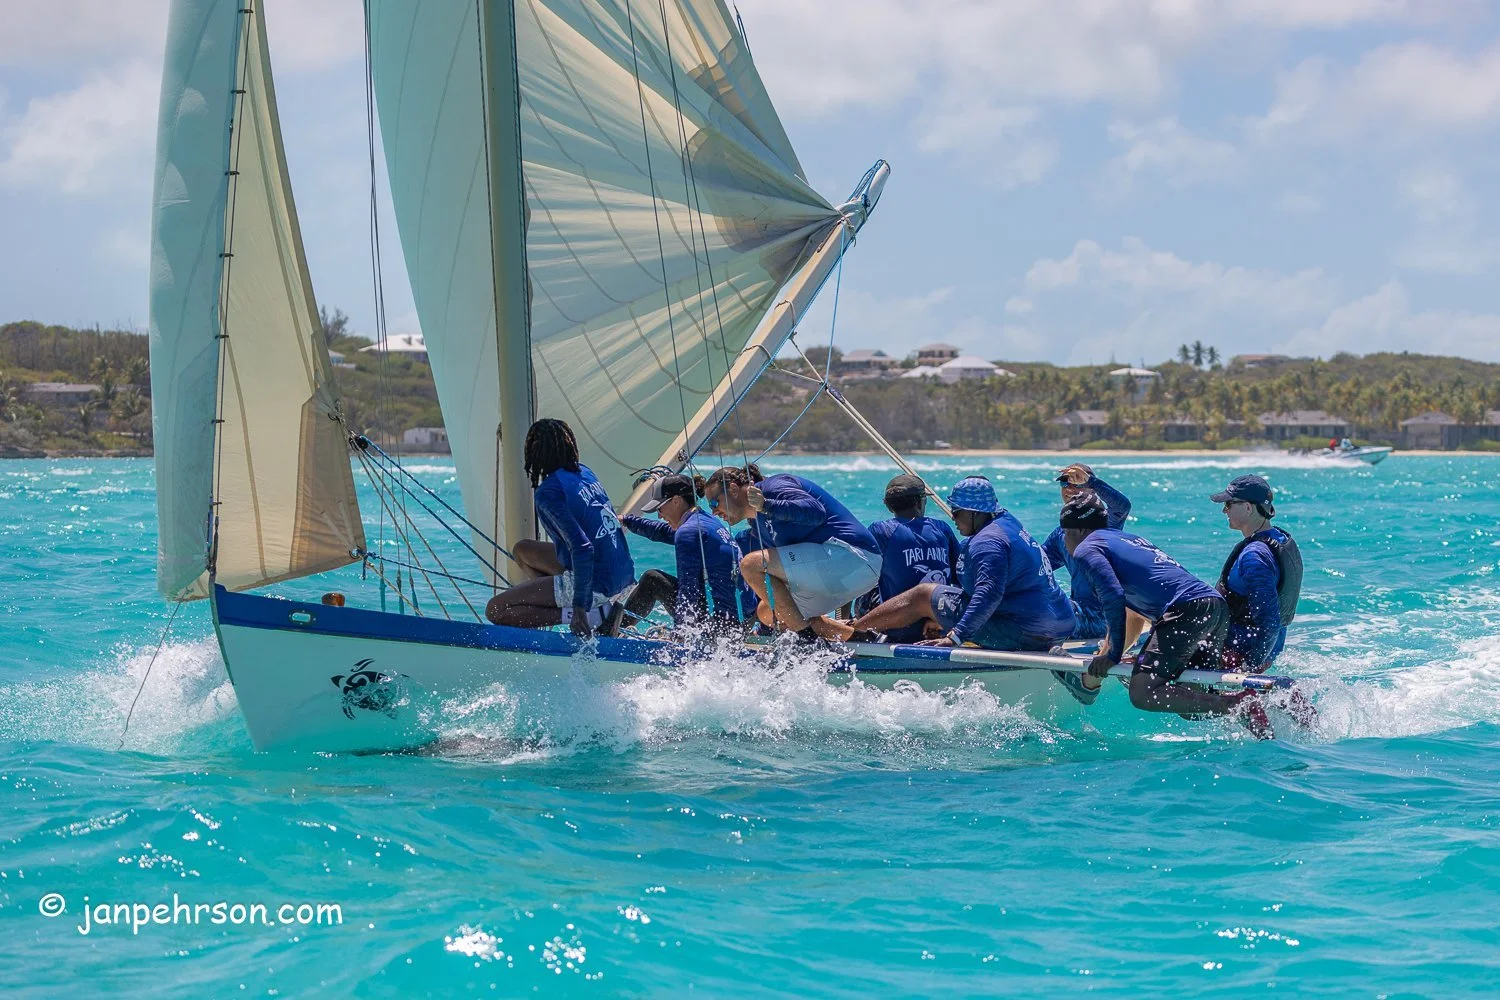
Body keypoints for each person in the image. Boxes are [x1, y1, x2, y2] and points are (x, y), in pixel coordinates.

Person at [1060, 492, 1260, 727]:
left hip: (1187, 610)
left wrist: (1112, 657)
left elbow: (1113, 597)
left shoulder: (1087, 548)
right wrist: (1110, 652)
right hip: (1214, 607)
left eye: (1065, 533)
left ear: (1079, 530)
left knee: (1143, 692)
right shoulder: (1126, 539)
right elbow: (1132, 616)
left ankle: (1237, 705)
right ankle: (1260, 704)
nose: (1064, 540)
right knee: (1192, 702)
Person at [849, 476, 1076, 652]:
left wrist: (955, 636)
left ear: (973, 513)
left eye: (957, 512)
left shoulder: (987, 542)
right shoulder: (1008, 522)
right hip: (1059, 625)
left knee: (923, 594)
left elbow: (988, 594)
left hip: (1026, 632)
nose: (952, 517)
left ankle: (851, 631)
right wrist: (941, 617)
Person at [485, 418, 635, 637]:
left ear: (534, 454)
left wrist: (579, 608)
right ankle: (568, 601)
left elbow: (582, 548)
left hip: (597, 584)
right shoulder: (585, 473)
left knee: (496, 610)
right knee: (522, 550)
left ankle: (587, 614)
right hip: (622, 575)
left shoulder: (548, 493)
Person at [698, 464, 882, 641]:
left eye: (714, 502)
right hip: (842, 574)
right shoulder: (756, 524)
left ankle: (806, 641)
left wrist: (766, 505)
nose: (714, 512)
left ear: (733, 489)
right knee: (771, 612)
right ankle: (858, 637)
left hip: (855, 556)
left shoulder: (774, 487)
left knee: (750, 564)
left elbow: (816, 512)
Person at [618, 473, 745, 631]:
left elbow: (688, 589)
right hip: (739, 619)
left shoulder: (688, 531)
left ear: (676, 500)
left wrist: (681, 633)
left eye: (659, 507)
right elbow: (663, 531)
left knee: (652, 580)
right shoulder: (704, 521)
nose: (659, 515)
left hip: (720, 626)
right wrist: (626, 520)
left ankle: (611, 635)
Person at [1041, 463, 1146, 651]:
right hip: (1077, 611)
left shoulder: (1104, 522)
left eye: (1078, 484)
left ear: (1092, 490)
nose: (1070, 489)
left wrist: (1092, 482)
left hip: (1101, 619)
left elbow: (1122, 506)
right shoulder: (1061, 534)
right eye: (1065, 484)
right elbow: (1037, 564)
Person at [1212, 475, 1303, 672]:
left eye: (1228, 504)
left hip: (1237, 652)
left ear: (1247, 507)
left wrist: (1249, 666)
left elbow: (1269, 622)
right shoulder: (1280, 538)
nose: (1224, 510)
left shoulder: (1255, 557)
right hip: (1268, 648)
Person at [858, 474, 961, 643]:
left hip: (897, 630)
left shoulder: (881, 530)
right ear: (920, 502)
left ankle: (855, 628)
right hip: (938, 625)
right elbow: (960, 578)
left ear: (889, 506)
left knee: (867, 582)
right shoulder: (942, 528)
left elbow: (856, 574)